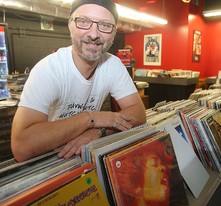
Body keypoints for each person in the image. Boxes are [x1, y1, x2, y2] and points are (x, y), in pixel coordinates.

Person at [11, 0, 146, 162]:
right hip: (50, 157)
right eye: (84, 22)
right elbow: (22, 146)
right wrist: (89, 118)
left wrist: (99, 130)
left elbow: (139, 113)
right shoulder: (49, 69)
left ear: (114, 32)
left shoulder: (113, 65)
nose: (94, 34)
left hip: (84, 156)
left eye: (105, 25)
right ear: (70, 24)